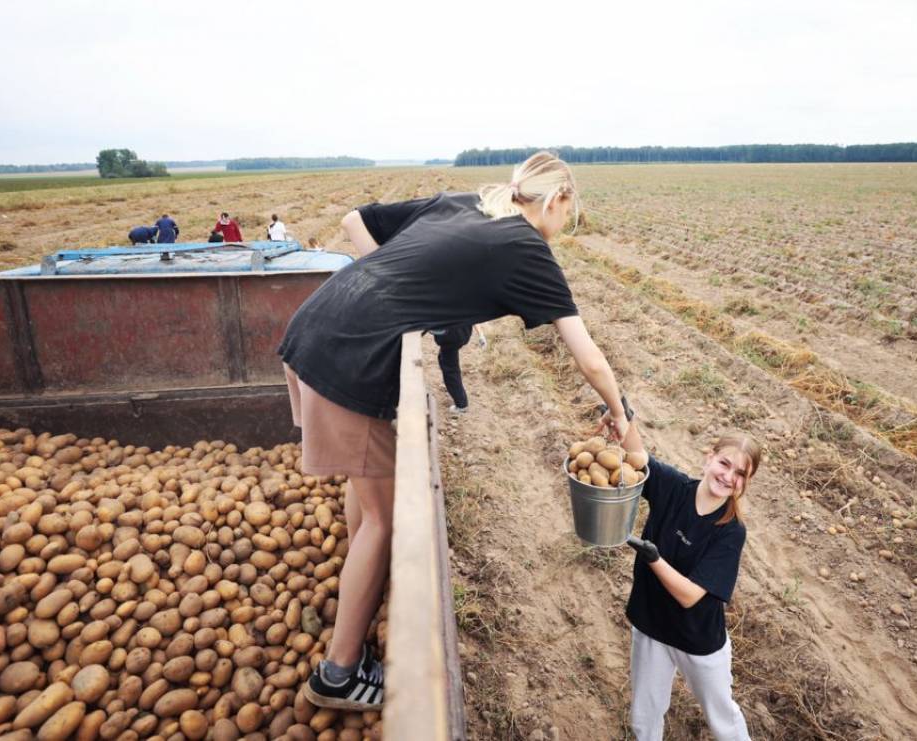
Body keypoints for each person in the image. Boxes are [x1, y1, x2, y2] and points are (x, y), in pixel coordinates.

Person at [278, 152, 629, 711]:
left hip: (314, 326)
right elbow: (586, 355)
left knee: (366, 489)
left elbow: (353, 222)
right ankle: (338, 674)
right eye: (571, 215)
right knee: (386, 515)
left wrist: (392, 291)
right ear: (556, 200)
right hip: (344, 358)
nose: (565, 227)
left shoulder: (466, 202)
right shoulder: (526, 247)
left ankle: (359, 573)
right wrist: (624, 419)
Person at [618, 424, 760, 741]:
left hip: (698, 641)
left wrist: (653, 558)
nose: (728, 476)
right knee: (644, 716)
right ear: (709, 458)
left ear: (745, 483)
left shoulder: (731, 530)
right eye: (724, 463)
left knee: (723, 718)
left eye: (740, 474)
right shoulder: (675, 488)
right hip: (652, 626)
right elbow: (637, 456)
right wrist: (620, 414)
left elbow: (689, 596)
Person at [427, 323, 486, 414]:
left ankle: (461, 405)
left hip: (451, 336)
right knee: (443, 358)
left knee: (450, 369)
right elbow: (474, 316)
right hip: (461, 333)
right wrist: (481, 334)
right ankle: (451, 387)